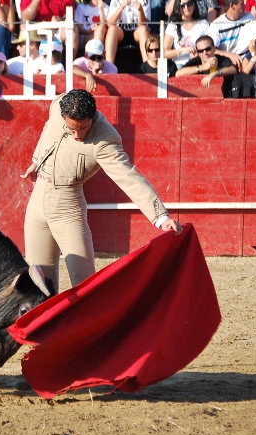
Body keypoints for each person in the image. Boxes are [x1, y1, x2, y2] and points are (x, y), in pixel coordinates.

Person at [20, 89, 182, 294]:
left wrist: (160, 217)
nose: (78, 134)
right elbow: (48, 130)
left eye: (83, 128)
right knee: (38, 281)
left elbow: (129, 178)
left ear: (93, 117)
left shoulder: (105, 139)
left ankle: (88, 326)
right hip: (37, 201)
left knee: (84, 282)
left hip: (67, 207)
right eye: (71, 128)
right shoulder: (58, 105)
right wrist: (37, 161)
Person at [163, 0, 209, 69]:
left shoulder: (203, 23)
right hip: (179, 66)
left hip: (200, 63)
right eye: (183, 5)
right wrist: (181, 50)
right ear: (178, 7)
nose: (186, 7)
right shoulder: (173, 25)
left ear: (194, 6)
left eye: (189, 4)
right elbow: (164, 53)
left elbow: (210, 47)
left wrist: (198, 54)